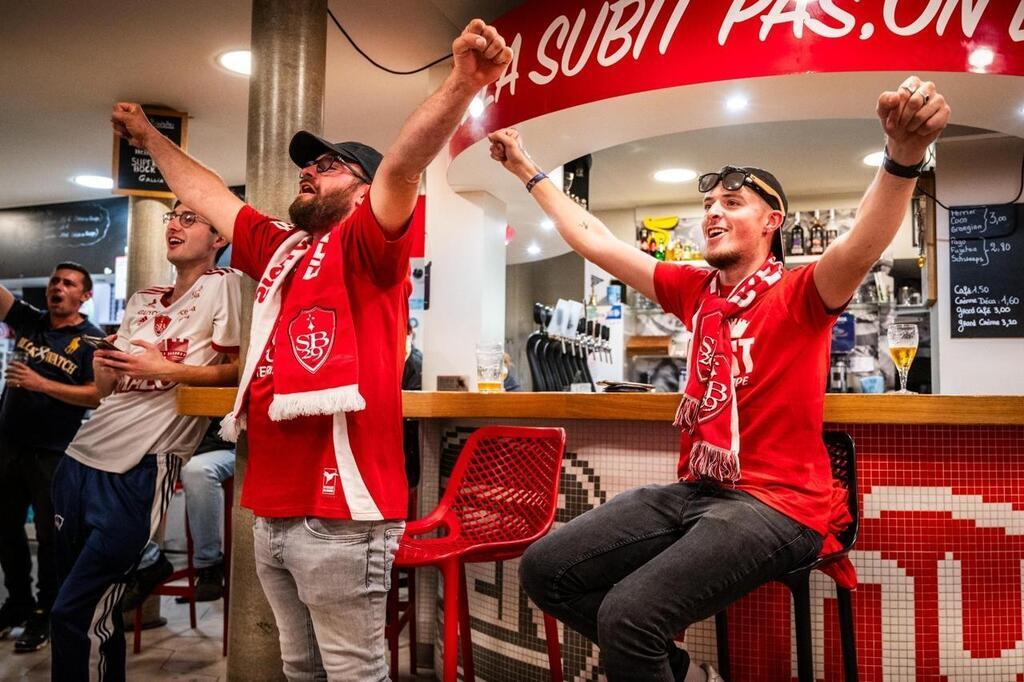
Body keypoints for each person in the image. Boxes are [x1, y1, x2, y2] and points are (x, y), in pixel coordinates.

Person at [488, 76, 949, 681]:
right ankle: (672, 667)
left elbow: (863, 241)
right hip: (700, 490)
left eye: (732, 202)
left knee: (630, 614)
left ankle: (652, 655)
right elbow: (595, 240)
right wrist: (527, 168)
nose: (712, 212)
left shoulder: (803, 290)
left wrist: (904, 155)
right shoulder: (693, 291)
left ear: (771, 222)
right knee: (545, 569)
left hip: (780, 505)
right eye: (708, 204)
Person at [109, 18, 513, 680]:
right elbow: (208, 194)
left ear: (362, 191)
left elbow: (406, 161)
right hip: (271, 507)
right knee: (299, 668)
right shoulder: (283, 250)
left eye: (329, 165)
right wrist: (152, 138)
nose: (309, 169)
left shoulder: (369, 245)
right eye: (309, 161)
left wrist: (464, 83)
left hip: (342, 515)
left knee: (353, 672)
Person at [50, 204, 241, 681]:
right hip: (77, 461)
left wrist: (171, 370)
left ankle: (155, 562)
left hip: (140, 468)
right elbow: (103, 394)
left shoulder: (227, 286)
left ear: (219, 236)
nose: (174, 225)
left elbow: (243, 369)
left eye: (190, 219)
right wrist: (105, 368)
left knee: (72, 615)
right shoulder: (142, 298)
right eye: (171, 217)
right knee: (94, 614)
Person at [0, 263, 102, 653]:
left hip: (52, 452)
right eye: (55, 281)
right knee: (6, 531)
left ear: (84, 296)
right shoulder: (31, 320)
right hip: (8, 446)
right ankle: (17, 603)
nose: (58, 287)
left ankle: (45, 612)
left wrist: (40, 383)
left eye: (69, 283)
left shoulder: (91, 340)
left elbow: (95, 395)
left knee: (48, 537)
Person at [120, 420, 235, 610]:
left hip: (223, 445)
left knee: (198, 471)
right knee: (125, 467)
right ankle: (147, 561)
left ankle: (209, 565)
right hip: (174, 447)